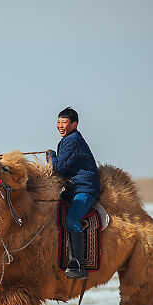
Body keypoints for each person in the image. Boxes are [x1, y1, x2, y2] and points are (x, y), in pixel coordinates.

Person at [46, 107, 100, 279]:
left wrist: (51, 156)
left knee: (72, 219)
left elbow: (59, 169)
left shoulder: (73, 140)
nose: (60, 126)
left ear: (74, 124)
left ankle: (78, 264)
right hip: (72, 189)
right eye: (58, 122)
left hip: (84, 188)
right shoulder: (68, 139)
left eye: (64, 122)